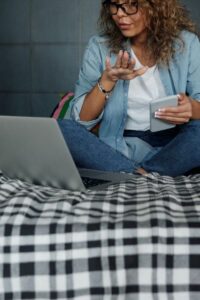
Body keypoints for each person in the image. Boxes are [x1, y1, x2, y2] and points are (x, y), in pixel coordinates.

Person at [58, 0, 200, 177]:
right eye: (114, 4)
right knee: (61, 129)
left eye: (131, 4)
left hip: (171, 149)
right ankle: (140, 172)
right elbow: (81, 120)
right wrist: (107, 80)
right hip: (114, 149)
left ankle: (135, 173)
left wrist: (192, 108)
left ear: (156, 6)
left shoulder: (186, 43)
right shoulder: (99, 46)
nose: (120, 14)